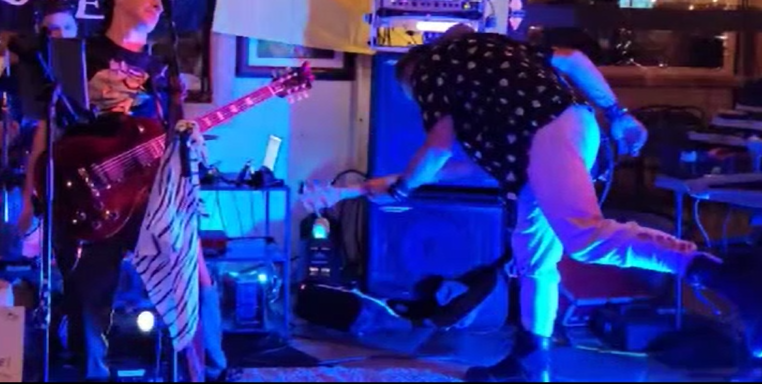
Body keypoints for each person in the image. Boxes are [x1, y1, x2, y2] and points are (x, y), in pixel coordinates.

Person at [305, 30, 762, 382]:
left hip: (548, 131)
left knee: (585, 237)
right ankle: (530, 361)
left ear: (411, 73)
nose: (417, 102)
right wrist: (350, 192)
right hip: (552, 137)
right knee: (535, 261)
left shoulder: (428, 71)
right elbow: (572, 61)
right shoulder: (493, 53)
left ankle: (721, 274)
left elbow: (438, 150)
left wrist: (405, 190)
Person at [18, 0, 233, 382]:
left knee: (194, 275)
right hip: (89, 194)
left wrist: (189, 141)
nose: (158, 4)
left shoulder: (162, 71)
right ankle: (92, 375)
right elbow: (49, 127)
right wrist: (30, 195)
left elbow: (170, 138)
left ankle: (209, 371)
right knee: (88, 294)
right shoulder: (79, 55)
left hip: (151, 195)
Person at [0, 0, 79, 261]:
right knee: (8, 250)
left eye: (67, 28)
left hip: (67, 178)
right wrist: (8, 135)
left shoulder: (83, 76)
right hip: (18, 177)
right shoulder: (15, 77)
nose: (60, 35)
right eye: (52, 29)